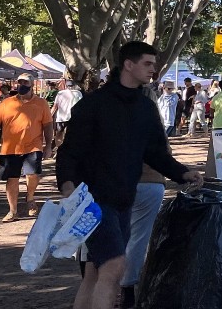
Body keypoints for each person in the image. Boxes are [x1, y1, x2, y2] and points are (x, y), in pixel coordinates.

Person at [56, 41, 204, 309]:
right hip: (92, 201)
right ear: (128, 64)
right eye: (148, 63)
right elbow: (69, 151)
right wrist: (66, 184)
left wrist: (183, 173)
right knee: (114, 267)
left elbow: (156, 154)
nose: (154, 70)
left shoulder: (146, 108)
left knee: (95, 272)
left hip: (124, 199)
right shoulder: (94, 104)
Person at [0, 73, 54, 222]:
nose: (21, 85)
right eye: (19, 82)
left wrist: (48, 145)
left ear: (32, 85)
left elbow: (48, 126)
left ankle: (30, 198)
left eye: (25, 82)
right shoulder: (6, 103)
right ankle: (13, 210)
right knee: (12, 179)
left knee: (33, 174)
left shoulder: (41, 104)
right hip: (10, 148)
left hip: (33, 146)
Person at [119, 166, 169, 309]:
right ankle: (128, 288)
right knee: (139, 239)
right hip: (149, 181)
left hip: (118, 183)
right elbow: (163, 154)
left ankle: (116, 284)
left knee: (120, 236)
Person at [52, 79, 83, 149]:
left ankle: (59, 149)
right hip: (74, 117)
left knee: (59, 133)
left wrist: (49, 116)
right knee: (73, 134)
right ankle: (71, 148)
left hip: (61, 118)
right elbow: (81, 106)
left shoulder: (60, 93)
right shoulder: (78, 93)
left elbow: (55, 106)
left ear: (66, 85)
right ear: (74, 85)